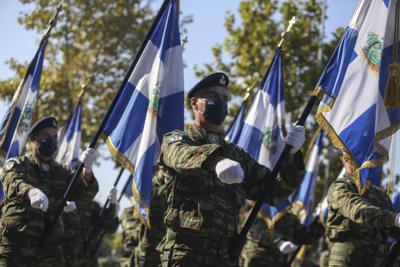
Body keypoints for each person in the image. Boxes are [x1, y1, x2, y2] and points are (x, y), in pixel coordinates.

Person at [156, 72, 306, 266]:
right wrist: (215, 162)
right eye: (212, 96)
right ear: (195, 104)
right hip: (186, 255)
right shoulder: (177, 140)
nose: (220, 102)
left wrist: (291, 156)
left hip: (225, 257)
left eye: (224, 98)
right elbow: (181, 156)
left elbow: (274, 192)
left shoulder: (237, 155)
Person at [0, 116, 98, 267]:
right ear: (33, 139)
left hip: (50, 249)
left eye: (54, 137)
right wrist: (30, 192)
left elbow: (86, 193)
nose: (51, 140)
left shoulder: (63, 171)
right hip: (17, 247)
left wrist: (88, 171)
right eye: (46, 136)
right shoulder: (18, 164)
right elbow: (12, 182)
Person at [325, 152, 400, 266]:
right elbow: (358, 211)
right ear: (344, 160)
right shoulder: (340, 187)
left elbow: (393, 229)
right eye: (347, 157)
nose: (352, 161)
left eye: (358, 155)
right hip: (348, 262)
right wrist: (392, 218)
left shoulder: (381, 196)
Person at [63, 187, 119, 267]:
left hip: (88, 257)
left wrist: (113, 205)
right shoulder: (61, 201)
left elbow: (109, 227)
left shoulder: (93, 206)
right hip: (65, 257)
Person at [135, 166, 168, 267]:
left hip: (164, 247)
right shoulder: (149, 187)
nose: (168, 172)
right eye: (165, 169)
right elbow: (155, 197)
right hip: (149, 249)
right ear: (158, 170)